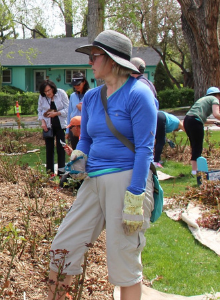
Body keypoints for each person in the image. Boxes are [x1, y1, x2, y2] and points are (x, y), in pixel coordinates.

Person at [46, 30, 157, 300]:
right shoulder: (93, 98)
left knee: (124, 260)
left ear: (112, 60)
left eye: (95, 56)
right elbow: (86, 139)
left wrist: (135, 195)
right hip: (94, 180)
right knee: (62, 249)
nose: (90, 62)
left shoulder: (138, 94)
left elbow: (144, 150)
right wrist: (79, 156)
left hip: (127, 178)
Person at [183, 87, 220, 175]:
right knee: (198, 146)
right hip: (195, 122)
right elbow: (216, 114)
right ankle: (195, 171)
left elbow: (198, 116)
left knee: (194, 145)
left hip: (187, 120)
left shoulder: (203, 99)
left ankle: (194, 169)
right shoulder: (214, 99)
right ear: (217, 94)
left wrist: (214, 122)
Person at [38, 80, 69, 175]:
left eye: (49, 90)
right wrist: (42, 122)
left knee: (61, 147)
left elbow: (68, 109)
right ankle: (49, 172)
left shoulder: (61, 93)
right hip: (48, 126)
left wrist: (57, 113)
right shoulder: (42, 97)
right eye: (45, 92)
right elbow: (39, 110)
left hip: (60, 125)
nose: (47, 93)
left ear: (53, 88)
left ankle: (61, 171)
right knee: (49, 148)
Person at [67, 74, 87, 148]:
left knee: (84, 148)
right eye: (74, 85)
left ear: (84, 82)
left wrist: (83, 107)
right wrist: (67, 131)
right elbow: (69, 112)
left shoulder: (89, 94)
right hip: (73, 126)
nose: (76, 86)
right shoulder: (72, 96)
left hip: (84, 126)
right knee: (75, 149)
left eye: (78, 84)